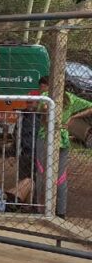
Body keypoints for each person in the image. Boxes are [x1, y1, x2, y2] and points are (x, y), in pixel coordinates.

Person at [32, 76, 92, 217]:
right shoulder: (69, 98)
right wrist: (71, 117)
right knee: (58, 176)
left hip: (48, 137)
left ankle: (42, 208)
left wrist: (72, 117)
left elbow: (41, 111)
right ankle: (59, 212)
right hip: (59, 137)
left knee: (43, 172)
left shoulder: (50, 96)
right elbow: (42, 110)